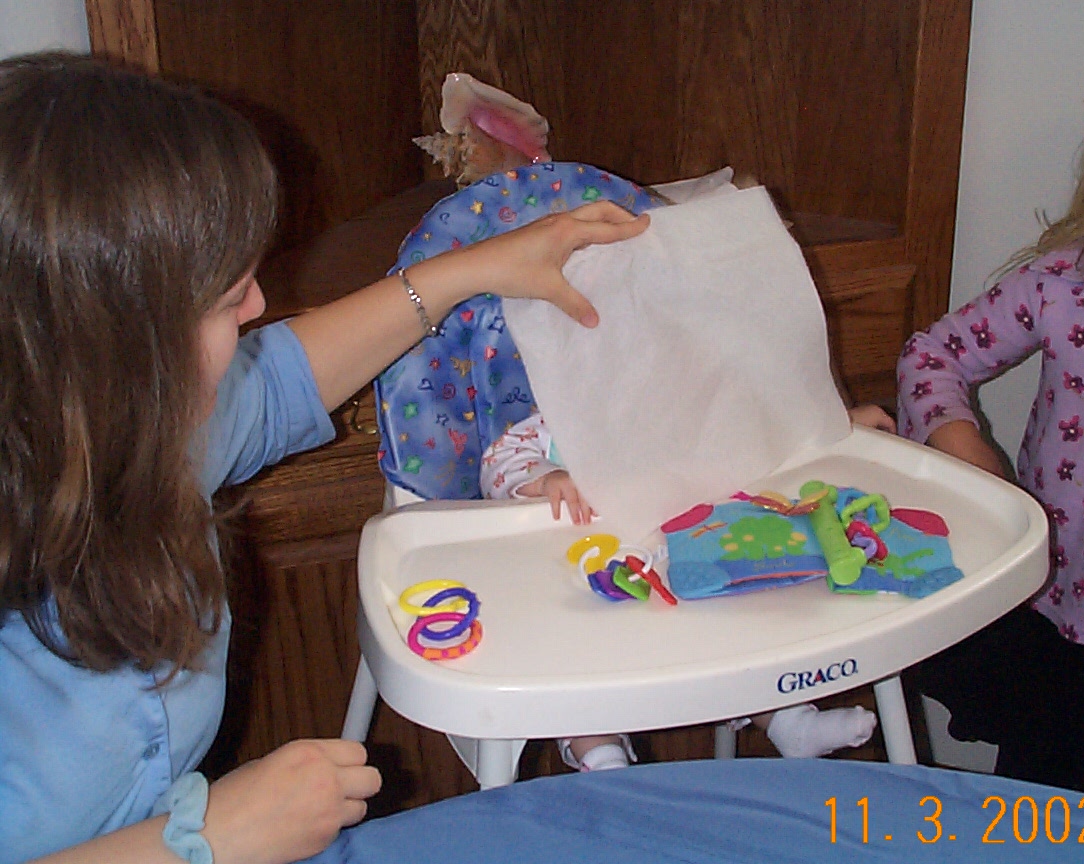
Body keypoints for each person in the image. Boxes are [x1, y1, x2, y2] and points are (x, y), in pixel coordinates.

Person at [0, 52, 649, 864]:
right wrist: (203, 840)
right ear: (107, 344)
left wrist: (476, 267)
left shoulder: (129, 433)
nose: (257, 304)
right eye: (222, 300)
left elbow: (278, 382)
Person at [896, 16, 1084, 806]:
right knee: (1043, 815)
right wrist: (966, 448)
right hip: (1060, 622)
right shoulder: (1062, 285)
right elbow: (931, 355)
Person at [481, 404, 893, 770]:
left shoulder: (685, 409)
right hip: (595, 586)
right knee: (573, 661)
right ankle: (601, 754)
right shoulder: (553, 424)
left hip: (682, 572)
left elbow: (769, 436)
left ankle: (790, 721)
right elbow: (498, 463)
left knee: (742, 628)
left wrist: (839, 427)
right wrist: (548, 478)